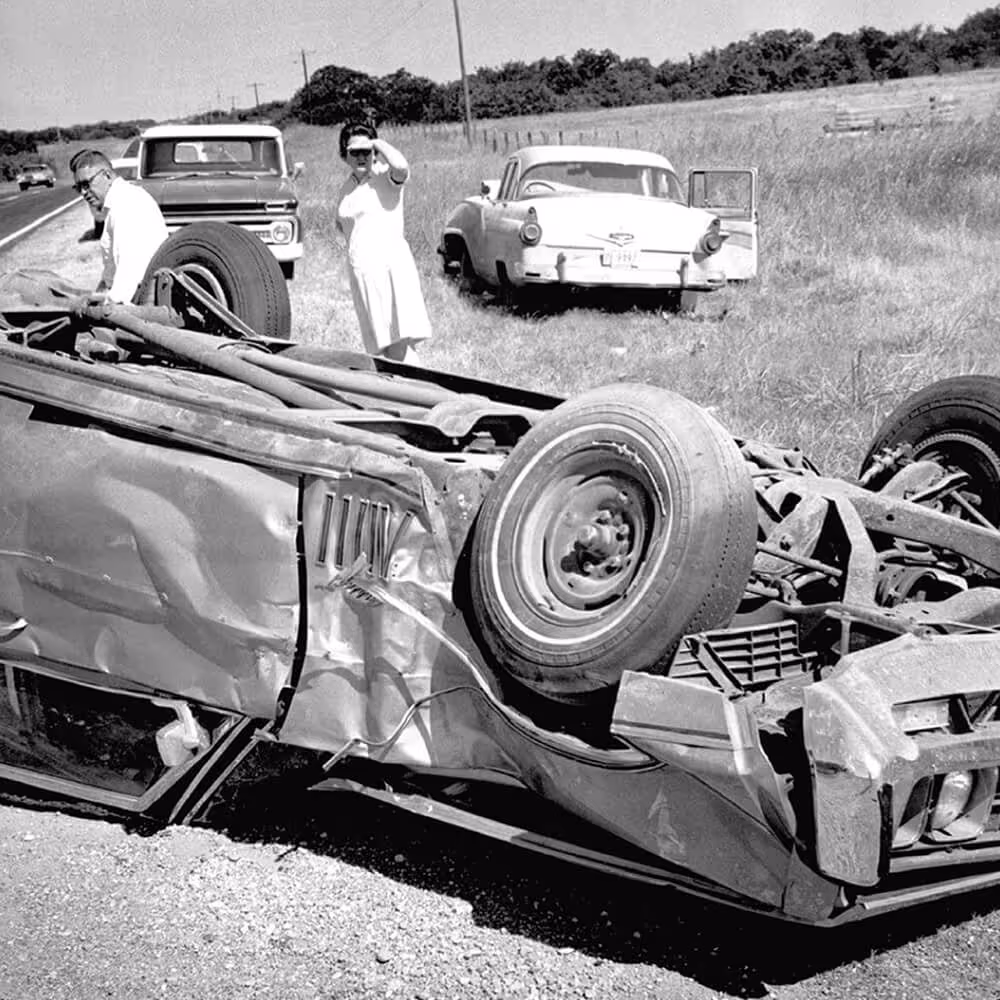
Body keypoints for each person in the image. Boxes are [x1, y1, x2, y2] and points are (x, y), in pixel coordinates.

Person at [334, 123, 432, 364]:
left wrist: (375, 142)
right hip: (364, 274)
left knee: (400, 343)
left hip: (391, 269)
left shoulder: (385, 176)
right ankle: (400, 394)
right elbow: (344, 226)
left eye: (365, 151)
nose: (360, 156)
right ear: (343, 155)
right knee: (381, 347)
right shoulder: (346, 189)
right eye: (354, 151)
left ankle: (422, 394)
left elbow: (401, 166)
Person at [71, 149, 168, 304]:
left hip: (144, 298)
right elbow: (111, 272)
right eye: (78, 188)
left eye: (86, 184)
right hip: (142, 292)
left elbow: (129, 267)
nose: (83, 192)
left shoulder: (125, 204)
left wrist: (110, 305)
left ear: (107, 175)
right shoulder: (120, 200)